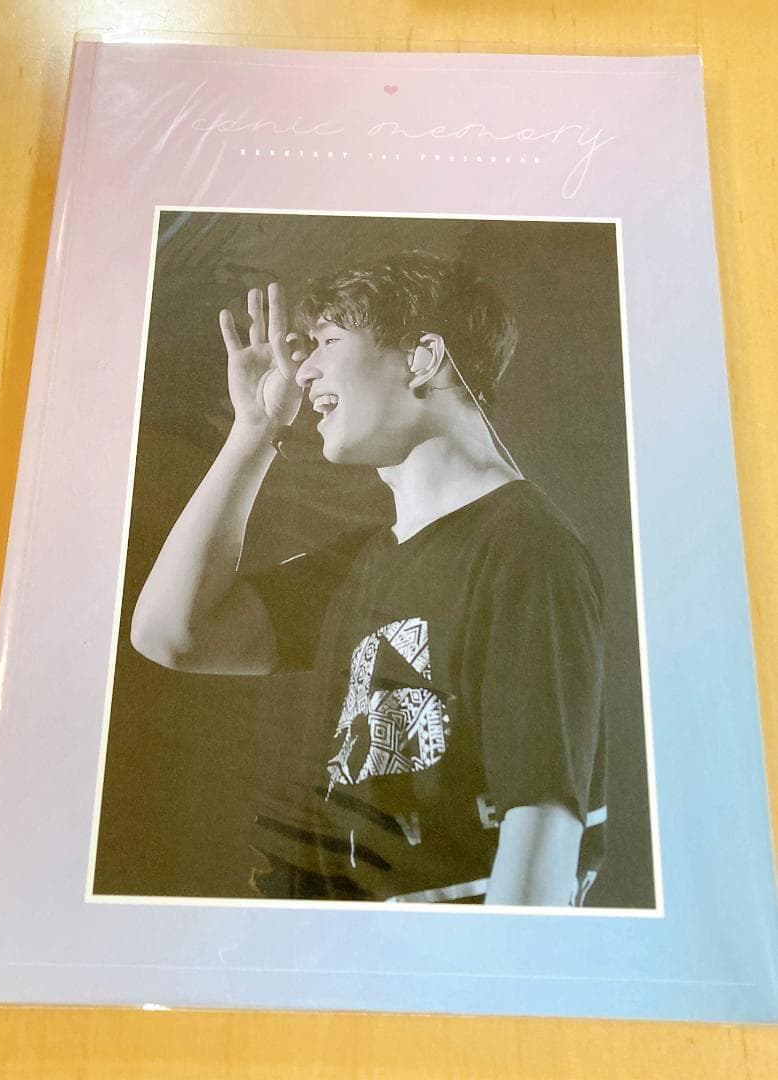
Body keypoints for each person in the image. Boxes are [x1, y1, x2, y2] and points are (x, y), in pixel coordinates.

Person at [131, 251, 607, 907]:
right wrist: (254, 430)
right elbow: (170, 634)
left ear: (423, 357)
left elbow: (542, 828)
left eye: (328, 342)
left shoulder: (526, 549)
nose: (303, 370)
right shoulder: (361, 563)